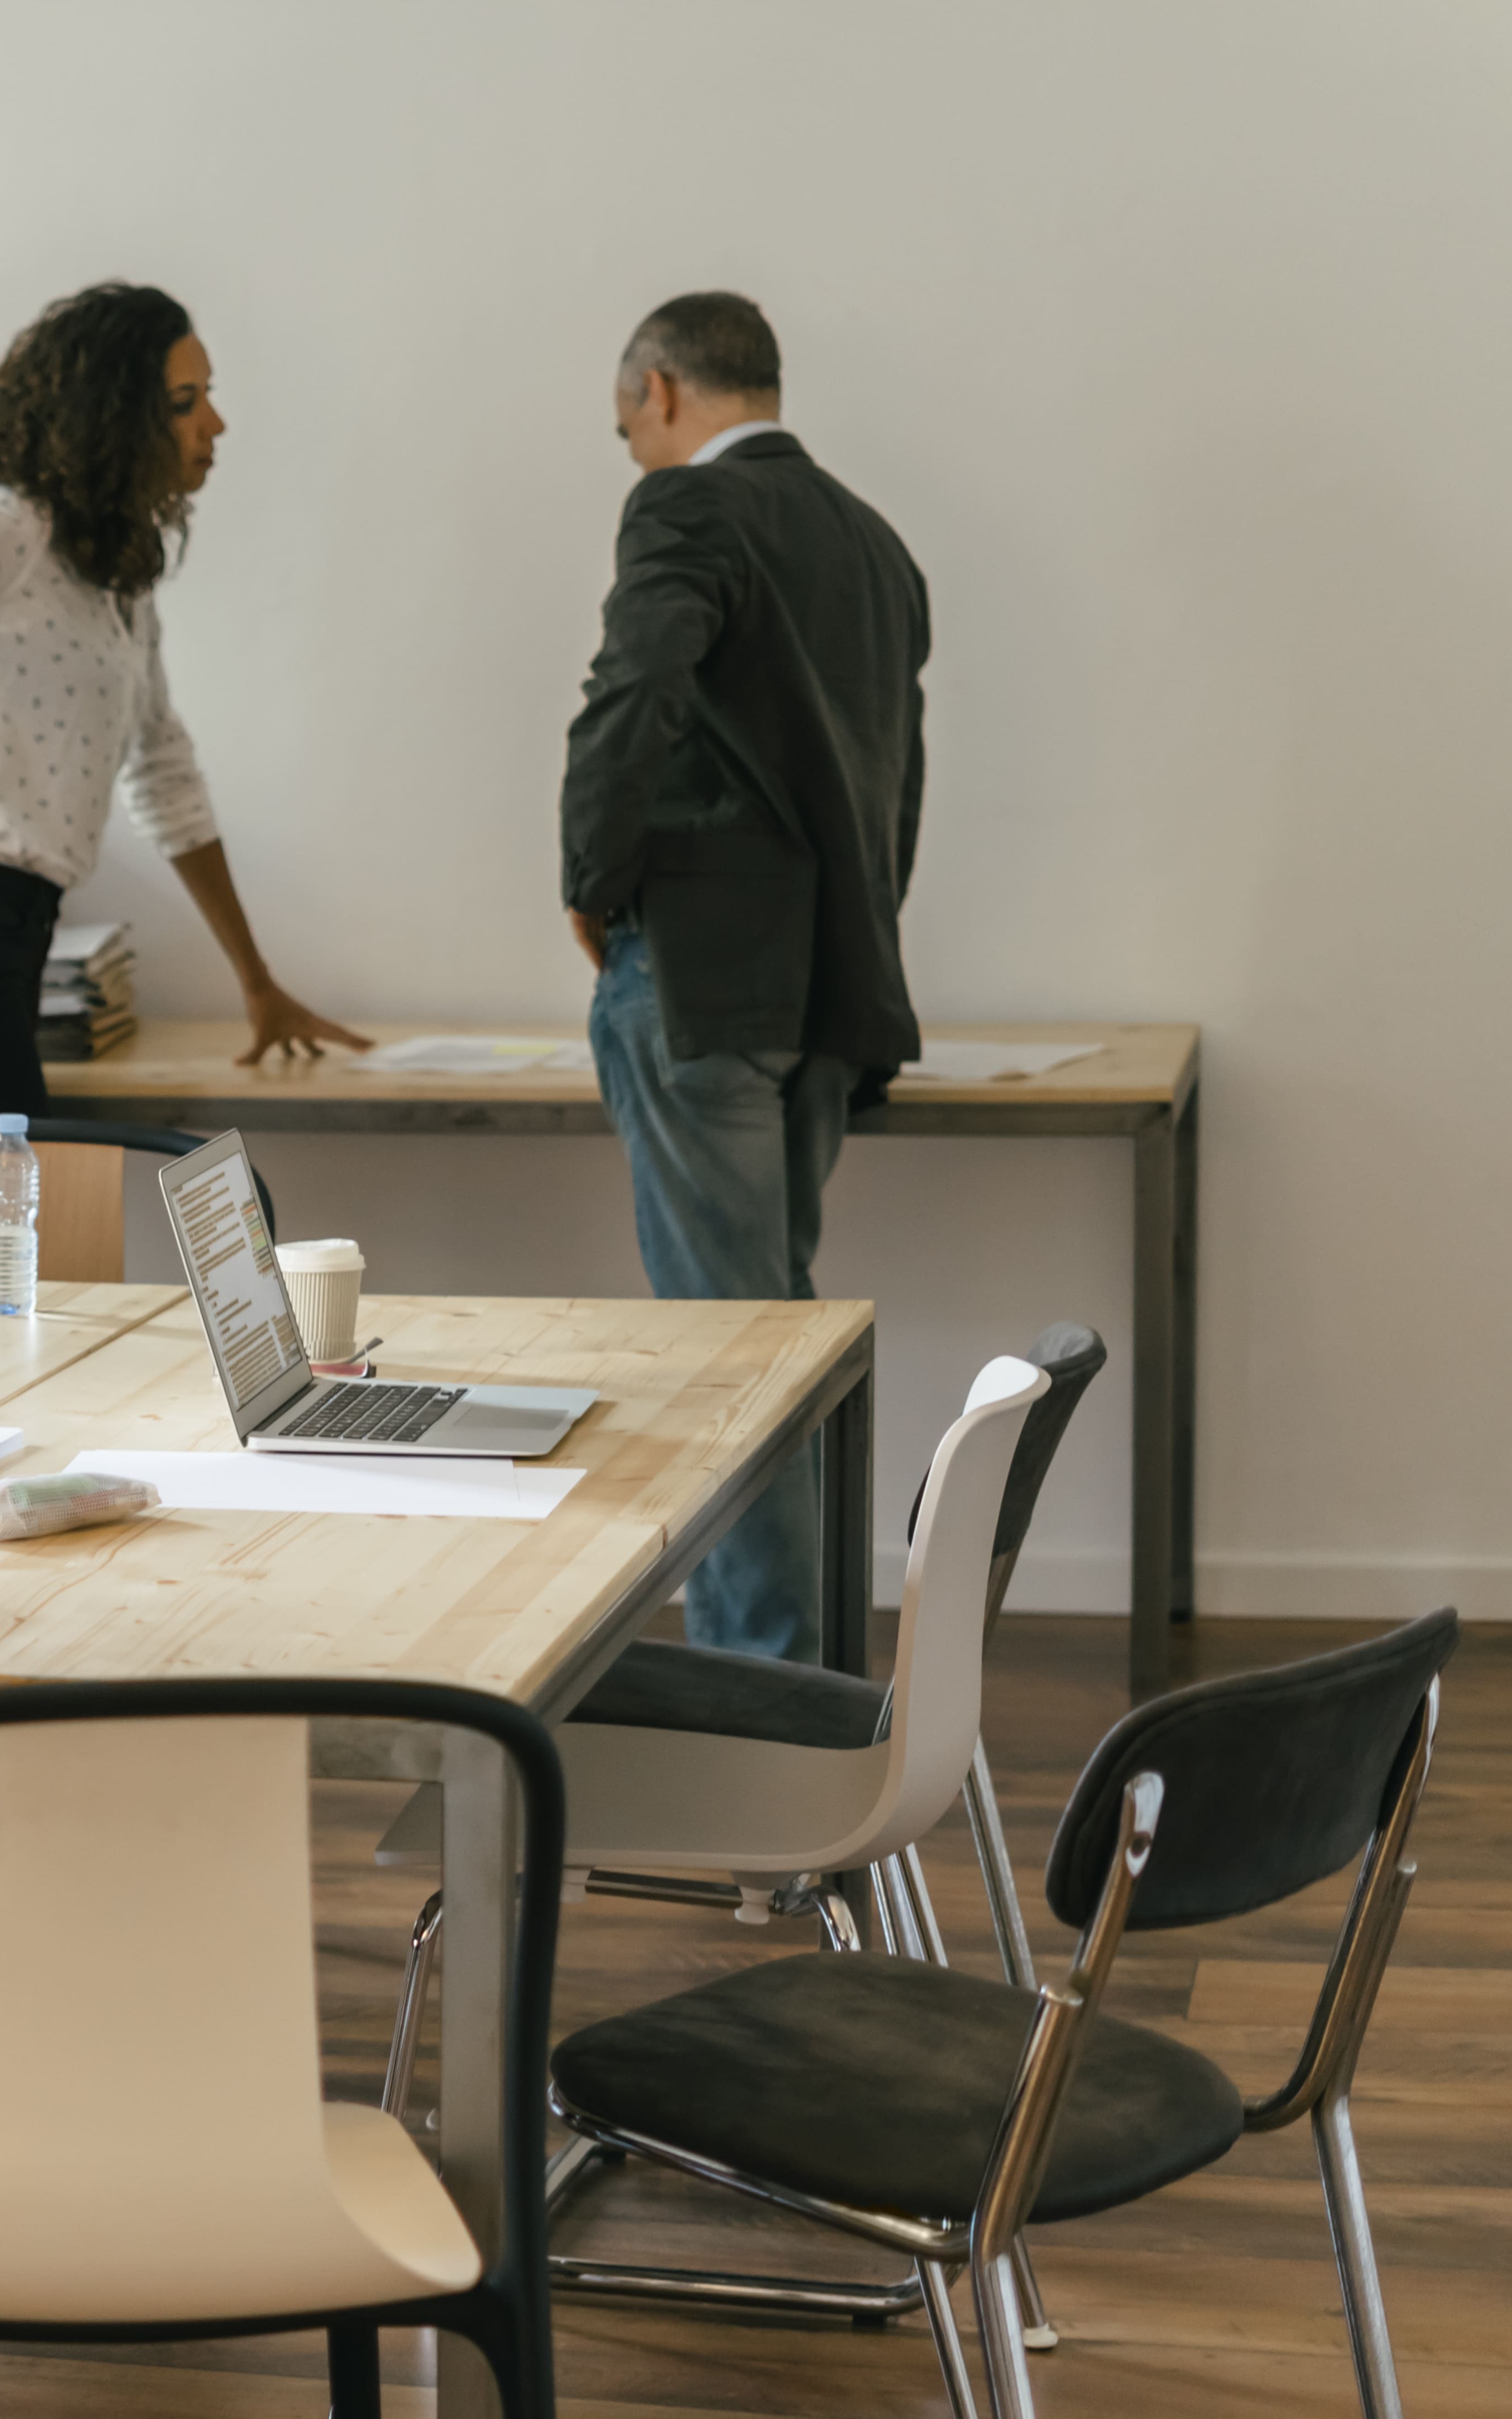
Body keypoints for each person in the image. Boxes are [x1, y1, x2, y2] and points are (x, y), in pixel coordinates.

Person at [0, 279, 366, 1273]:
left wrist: (257, 982)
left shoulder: (115, 578)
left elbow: (166, 774)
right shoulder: (7, 531)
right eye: (184, 401)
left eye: (209, 394)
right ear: (114, 414)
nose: (214, 422)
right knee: (37, 1266)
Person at [561, 291, 931, 1662]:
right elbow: (898, 783)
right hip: (827, 993)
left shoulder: (685, 513)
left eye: (626, 429)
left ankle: (761, 1695)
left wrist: (591, 879)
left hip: (705, 982)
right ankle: (806, 1671)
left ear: (660, 390)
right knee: (780, 1348)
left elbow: (627, 697)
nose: (634, 459)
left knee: (727, 1358)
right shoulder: (872, 542)